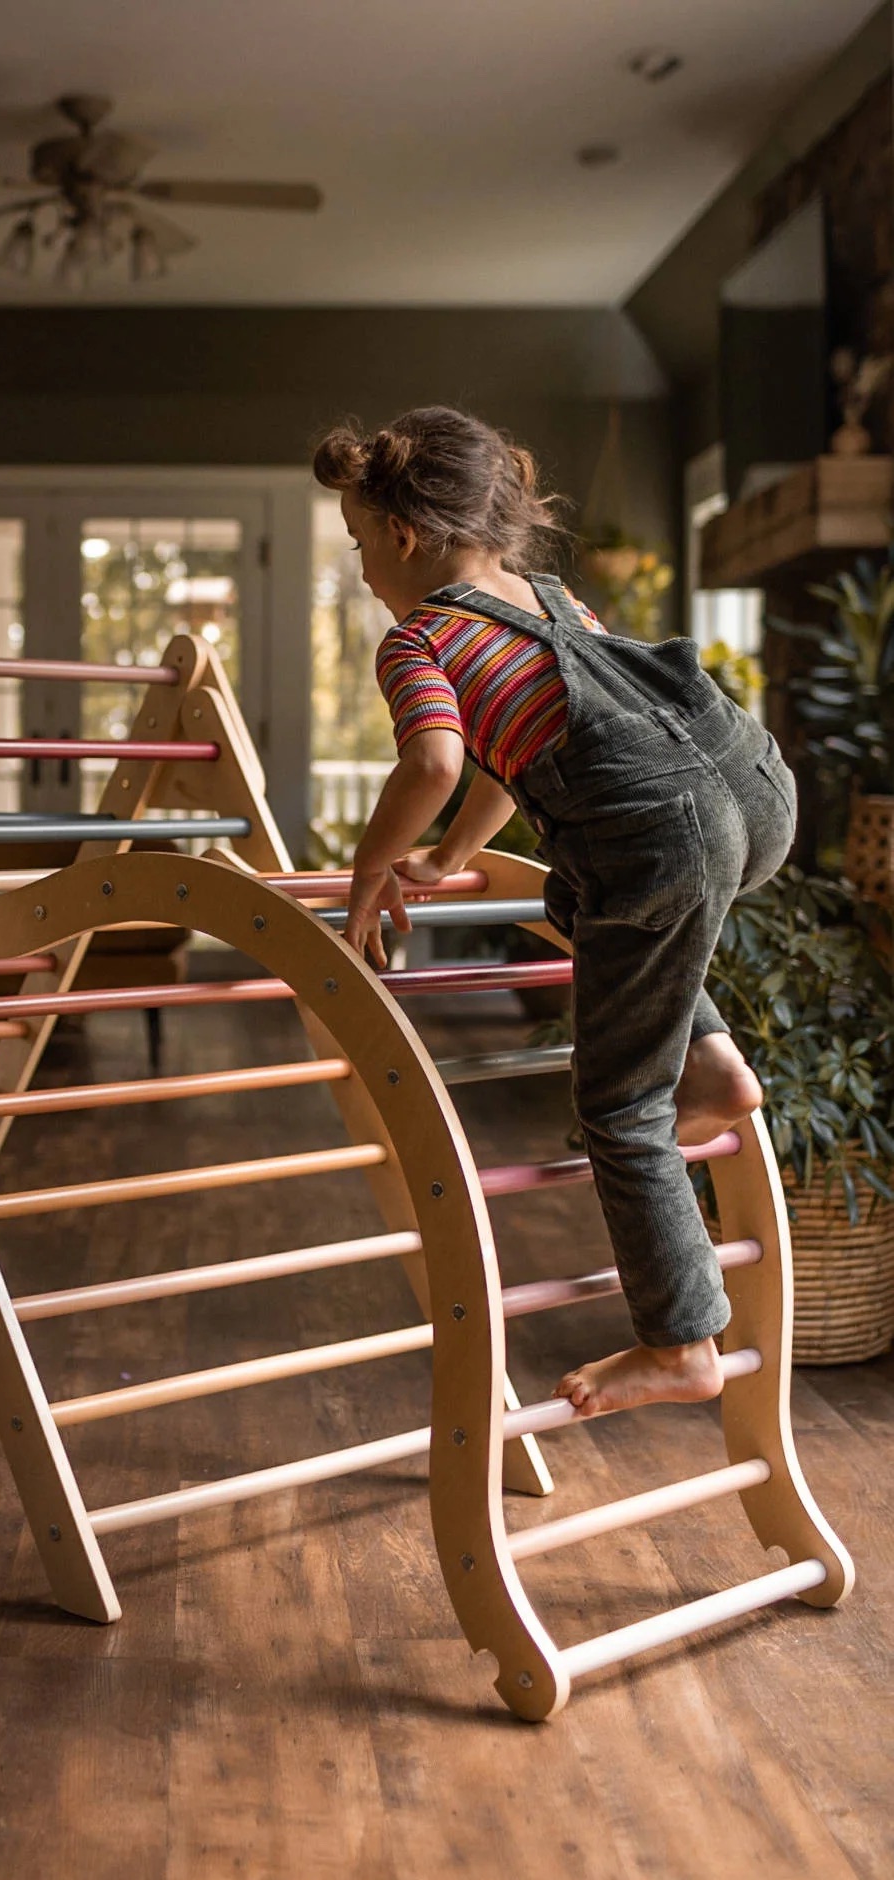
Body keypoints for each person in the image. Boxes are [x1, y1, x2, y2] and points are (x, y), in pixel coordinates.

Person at [313, 406, 793, 1417]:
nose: (360, 569)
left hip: (662, 831)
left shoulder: (416, 641)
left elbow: (436, 759)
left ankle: (677, 1343)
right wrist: (446, 856)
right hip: (750, 785)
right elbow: (522, 752)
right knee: (580, 892)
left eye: (358, 544)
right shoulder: (547, 597)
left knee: (619, 1110)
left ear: (400, 536)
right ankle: (712, 1063)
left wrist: (368, 873)